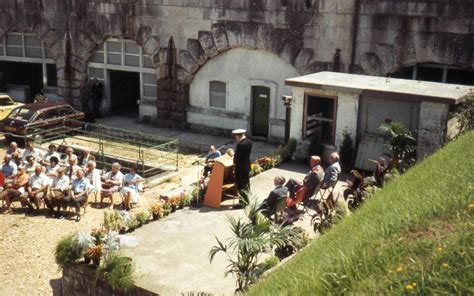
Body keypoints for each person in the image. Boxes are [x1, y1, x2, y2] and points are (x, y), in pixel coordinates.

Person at [232, 129, 252, 206]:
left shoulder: (240, 145)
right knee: (246, 184)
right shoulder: (249, 141)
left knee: (241, 185)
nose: (236, 139)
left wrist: (234, 160)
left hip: (241, 168)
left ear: (238, 135)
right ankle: (247, 200)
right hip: (246, 166)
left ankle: (242, 203)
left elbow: (237, 158)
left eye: (236, 137)